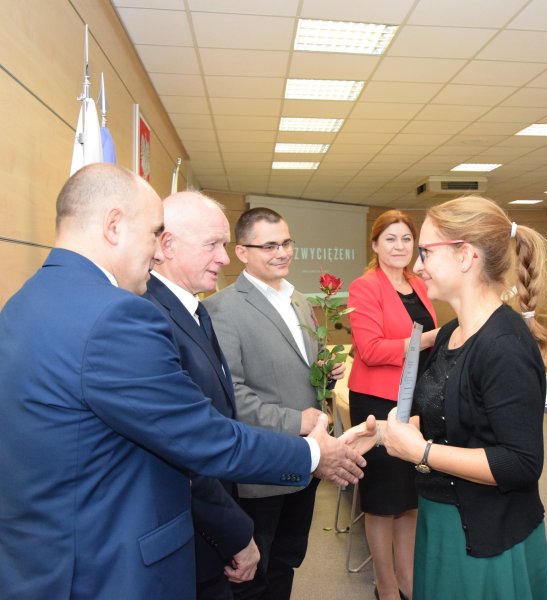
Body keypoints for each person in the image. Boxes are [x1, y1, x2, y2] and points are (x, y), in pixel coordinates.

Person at [0, 164, 369, 600]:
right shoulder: (116, 314)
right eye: (154, 233)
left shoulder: (26, 300)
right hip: (105, 565)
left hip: (50, 555)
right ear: (114, 226)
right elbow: (199, 436)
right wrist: (313, 452)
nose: (157, 250)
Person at [349, 196, 547, 599]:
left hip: (486, 537)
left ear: (465, 256)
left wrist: (421, 452)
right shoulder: (449, 334)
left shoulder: (504, 345)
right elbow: (446, 416)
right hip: (444, 520)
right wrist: (385, 434)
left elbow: (520, 463)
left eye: (425, 251)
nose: (417, 264)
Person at [205, 207, 344, 600]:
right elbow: (230, 394)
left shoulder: (299, 300)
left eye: (286, 243)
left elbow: (301, 371)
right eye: (269, 246)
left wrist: (325, 372)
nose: (282, 252)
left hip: (306, 462)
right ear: (242, 252)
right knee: (254, 575)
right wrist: (295, 421)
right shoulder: (222, 308)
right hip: (261, 469)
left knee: (286, 561)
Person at [143, 191, 259, 599]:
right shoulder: (148, 317)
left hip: (207, 525)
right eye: (212, 244)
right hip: (188, 532)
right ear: (167, 245)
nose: (225, 258)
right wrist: (234, 532)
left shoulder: (193, 308)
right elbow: (185, 447)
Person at [346, 210, 439, 600]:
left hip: (415, 401)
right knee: (383, 502)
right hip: (377, 402)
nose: (400, 246)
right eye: (390, 239)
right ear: (374, 245)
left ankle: (407, 582)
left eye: (406, 239)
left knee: (410, 499)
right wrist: (431, 338)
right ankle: (385, 587)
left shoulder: (418, 283)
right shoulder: (364, 287)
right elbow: (370, 350)